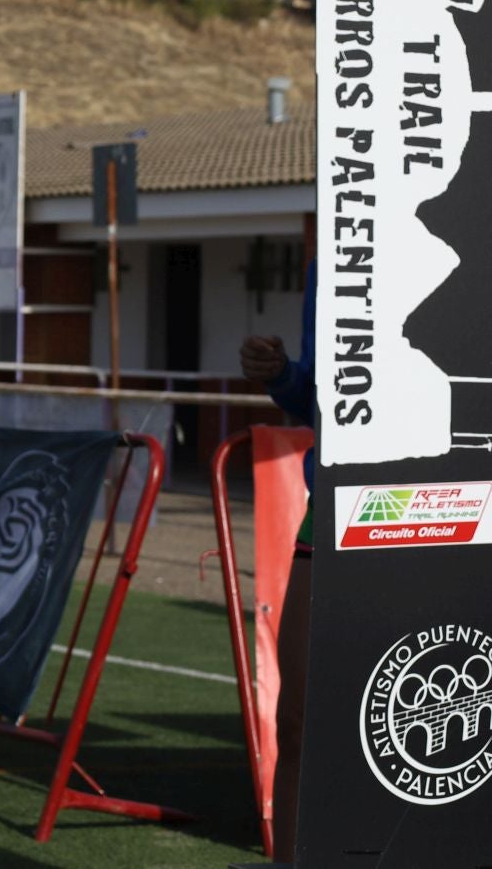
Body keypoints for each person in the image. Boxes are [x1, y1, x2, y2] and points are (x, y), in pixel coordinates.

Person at [239, 259, 314, 862]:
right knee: (298, 720)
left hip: (457, 511)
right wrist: (283, 375)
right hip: (342, 509)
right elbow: (322, 401)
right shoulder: (338, 254)